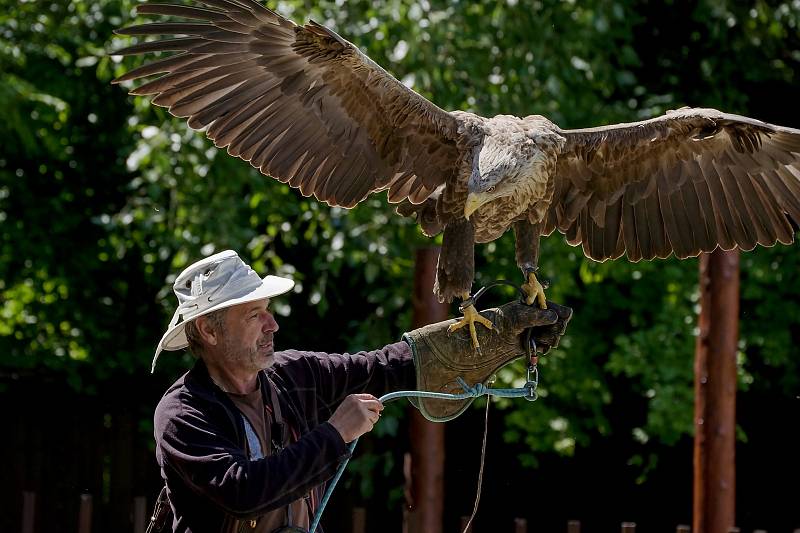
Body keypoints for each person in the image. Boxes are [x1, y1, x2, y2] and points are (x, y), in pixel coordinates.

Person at [150, 250, 571, 532]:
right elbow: (242, 493)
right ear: (208, 329)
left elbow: (384, 368)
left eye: (268, 311)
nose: (272, 325)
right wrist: (335, 434)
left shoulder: (292, 375)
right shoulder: (183, 413)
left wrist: (503, 335)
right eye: (254, 315)